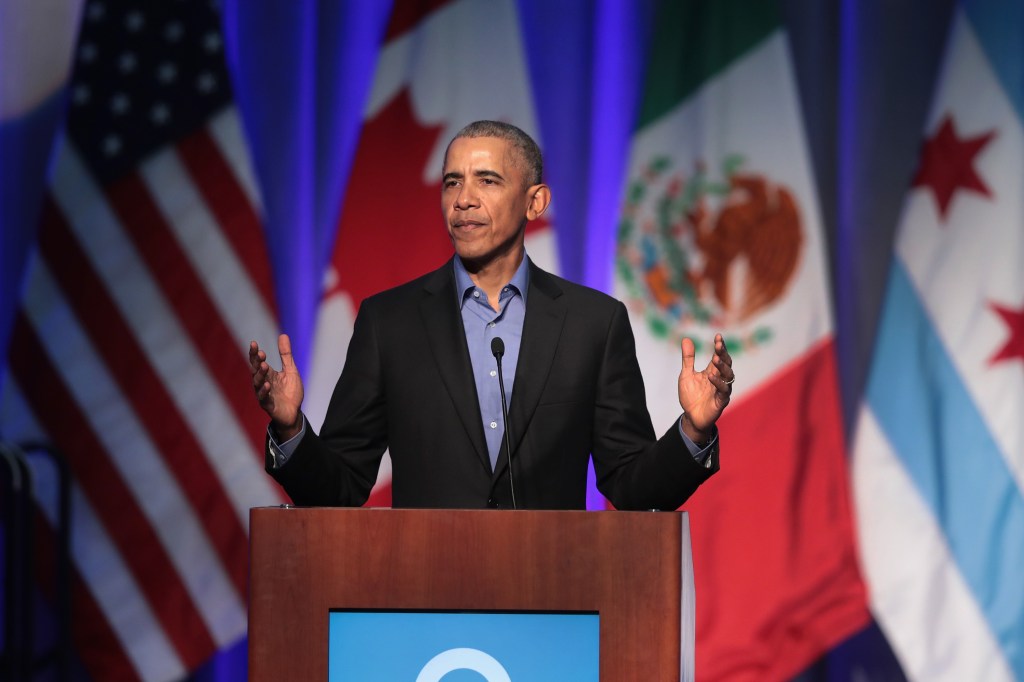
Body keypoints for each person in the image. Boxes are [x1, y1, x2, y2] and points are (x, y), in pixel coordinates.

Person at [249, 120, 734, 510]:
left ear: (535, 201)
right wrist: (291, 430)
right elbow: (339, 490)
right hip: (425, 607)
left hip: (550, 603)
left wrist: (693, 429)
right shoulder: (388, 323)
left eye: (487, 180)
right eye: (452, 182)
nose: (463, 199)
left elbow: (633, 489)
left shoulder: (594, 324)